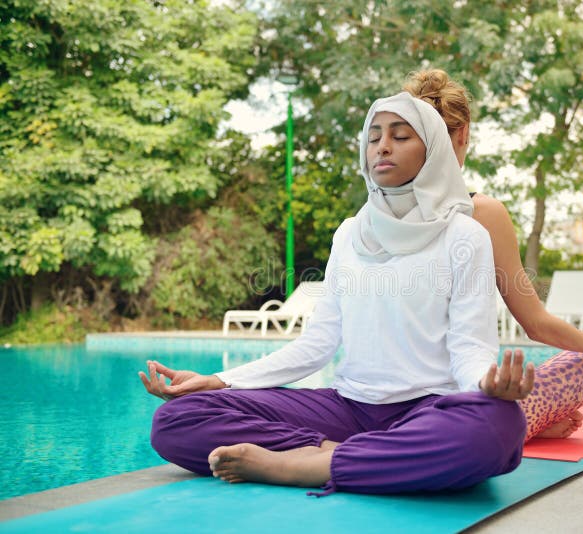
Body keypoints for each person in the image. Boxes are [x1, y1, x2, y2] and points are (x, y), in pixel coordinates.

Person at [140, 92, 535, 494]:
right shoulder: (349, 234)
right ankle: (336, 454)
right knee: (177, 418)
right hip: (347, 409)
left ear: (432, 149)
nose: (382, 146)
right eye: (373, 136)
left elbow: (469, 346)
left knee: (499, 428)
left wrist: (487, 385)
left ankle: (306, 466)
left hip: (428, 408)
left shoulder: (464, 235)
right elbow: (317, 345)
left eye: (400, 136)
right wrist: (220, 380)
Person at [402, 69, 583, 441]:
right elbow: (536, 324)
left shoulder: (375, 217)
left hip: (382, 402)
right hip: (464, 403)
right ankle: (522, 422)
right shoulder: (483, 213)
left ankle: (508, 422)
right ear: (464, 135)